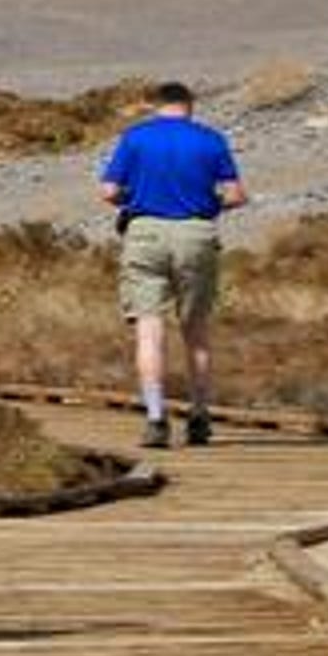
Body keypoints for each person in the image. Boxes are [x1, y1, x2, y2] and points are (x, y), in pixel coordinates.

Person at [98, 80, 247, 448]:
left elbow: (109, 191)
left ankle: (155, 417)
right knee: (195, 329)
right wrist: (208, 205)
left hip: (145, 232)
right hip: (196, 233)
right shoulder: (210, 139)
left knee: (149, 330)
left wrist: (135, 198)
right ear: (190, 106)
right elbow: (236, 194)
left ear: (155, 105)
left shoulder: (135, 138)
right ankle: (198, 416)